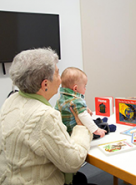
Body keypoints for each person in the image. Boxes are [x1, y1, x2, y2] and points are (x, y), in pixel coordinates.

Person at [0, 48, 93, 185]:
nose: (61, 79)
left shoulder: (11, 100)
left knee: (81, 179)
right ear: (45, 84)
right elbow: (72, 163)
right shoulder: (44, 116)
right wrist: (82, 128)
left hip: (9, 179)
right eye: (57, 74)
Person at [55, 67, 107, 137]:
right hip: (74, 132)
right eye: (84, 86)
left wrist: (85, 108)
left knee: (91, 121)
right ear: (75, 88)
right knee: (94, 130)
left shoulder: (62, 98)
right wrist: (96, 130)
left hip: (65, 132)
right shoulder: (76, 101)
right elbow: (83, 116)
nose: (85, 89)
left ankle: (99, 122)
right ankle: (106, 127)